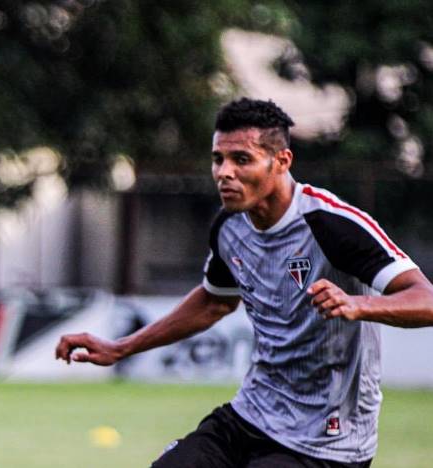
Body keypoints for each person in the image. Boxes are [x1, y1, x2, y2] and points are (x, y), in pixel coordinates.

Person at [55, 98, 433, 467]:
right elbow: (214, 302)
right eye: (218, 159)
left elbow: (425, 299)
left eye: (241, 159)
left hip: (327, 438)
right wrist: (120, 347)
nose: (224, 172)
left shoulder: (332, 224)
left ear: (281, 161)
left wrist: (360, 305)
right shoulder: (229, 225)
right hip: (253, 415)